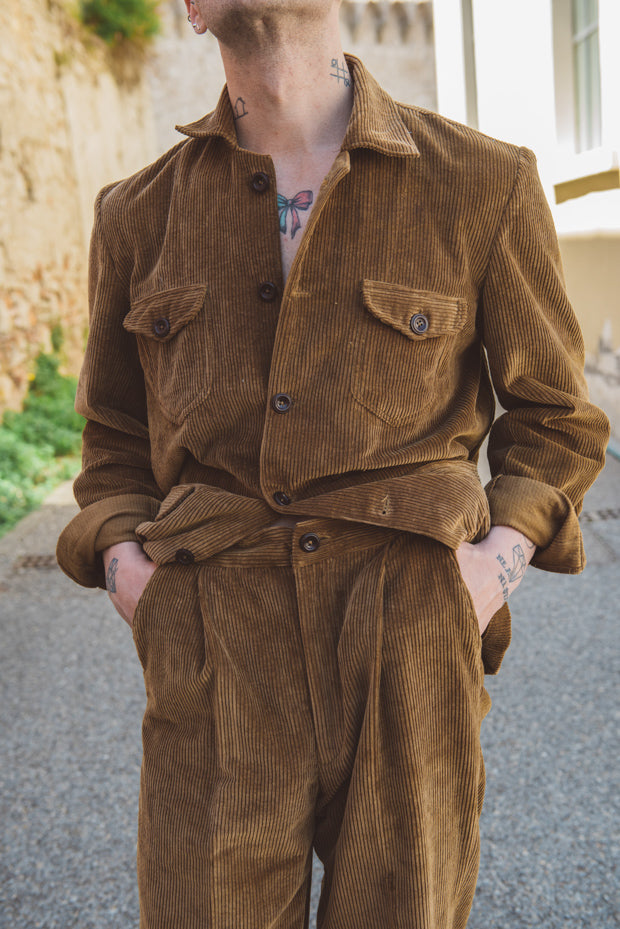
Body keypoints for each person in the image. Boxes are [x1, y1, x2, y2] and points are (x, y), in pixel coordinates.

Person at [57, 1, 610, 926]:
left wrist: (482, 572)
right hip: (213, 643)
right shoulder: (137, 215)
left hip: (408, 635)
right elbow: (112, 442)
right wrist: (136, 581)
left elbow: (557, 419)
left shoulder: (484, 182)